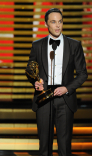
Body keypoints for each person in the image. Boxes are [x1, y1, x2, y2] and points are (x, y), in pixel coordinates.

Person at [26, 8, 88, 156]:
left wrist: (66, 88)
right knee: (44, 147)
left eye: (60, 21)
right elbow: (30, 69)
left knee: (65, 147)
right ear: (46, 24)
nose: (57, 25)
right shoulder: (37, 45)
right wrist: (35, 81)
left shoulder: (74, 45)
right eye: (53, 22)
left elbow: (82, 74)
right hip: (43, 98)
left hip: (65, 100)